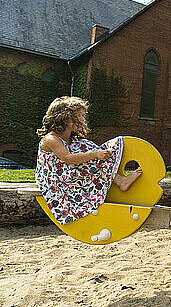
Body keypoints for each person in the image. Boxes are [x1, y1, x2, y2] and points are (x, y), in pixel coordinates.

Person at [36, 96, 142, 225]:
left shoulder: (72, 139)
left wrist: (97, 153)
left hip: (67, 170)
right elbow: (68, 158)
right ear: (65, 118)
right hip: (56, 177)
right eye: (79, 116)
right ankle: (120, 181)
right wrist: (95, 154)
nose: (82, 119)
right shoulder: (51, 139)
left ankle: (119, 179)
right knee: (89, 152)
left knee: (85, 145)